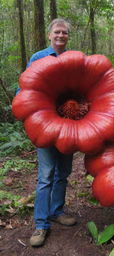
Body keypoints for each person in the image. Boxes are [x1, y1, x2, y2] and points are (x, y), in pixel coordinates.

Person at [25, 18, 76, 247]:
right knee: (45, 176)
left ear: (68, 36)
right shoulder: (38, 58)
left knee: (63, 173)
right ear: (49, 35)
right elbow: (25, 89)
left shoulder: (73, 59)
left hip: (69, 126)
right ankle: (41, 224)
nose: (61, 35)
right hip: (45, 124)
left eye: (64, 32)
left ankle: (57, 211)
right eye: (57, 32)